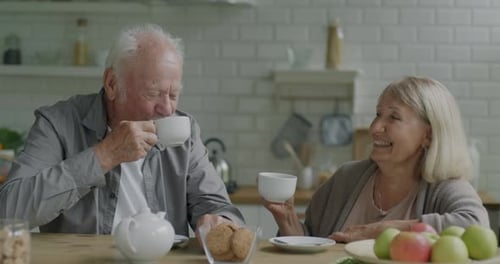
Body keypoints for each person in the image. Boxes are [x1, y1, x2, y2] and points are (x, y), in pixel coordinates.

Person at [0, 24, 244, 236]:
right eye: (153, 94)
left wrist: (217, 223)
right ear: (112, 84)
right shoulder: (57, 123)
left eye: (173, 94)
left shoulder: (185, 131)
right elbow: (8, 210)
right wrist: (105, 155)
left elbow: (216, 206)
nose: (167, 108)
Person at [262, 76, 490, 243]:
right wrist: (288, 222)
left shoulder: (445, 187)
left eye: (393, 117)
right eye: (378, 114)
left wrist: (381, 231)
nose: (374, 128)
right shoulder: (346, 178)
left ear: (428, 135)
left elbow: (475, 227)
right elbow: (311, 245)